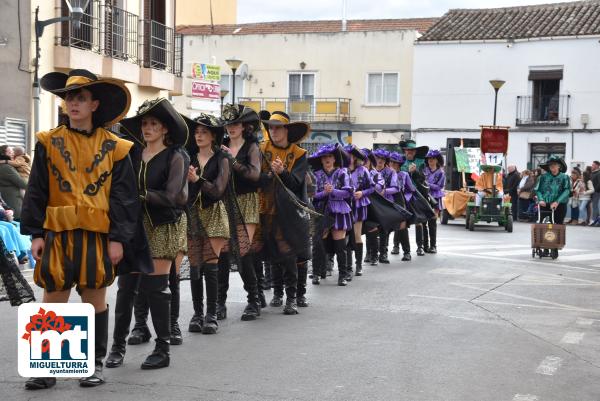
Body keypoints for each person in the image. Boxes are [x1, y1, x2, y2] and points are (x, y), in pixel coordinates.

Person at [21, 68, 137, 389]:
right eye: (70, 97)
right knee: (53, 297)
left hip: (97, 235)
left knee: (93, 300)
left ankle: (92, 364)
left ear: (94, 105)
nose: (73, 103)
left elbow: (124, 199)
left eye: (81, 98)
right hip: (57, 235)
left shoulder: (117, 148)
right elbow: (37, 189)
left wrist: (118, 240)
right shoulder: (48, 142)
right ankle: (46, 369)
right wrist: (36, 234)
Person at [112, 98, 189, 370]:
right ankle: (117, 347)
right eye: (144, 123)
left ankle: (162, 349)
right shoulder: (132, 153)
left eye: (153, 123)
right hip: (132, 226)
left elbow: (172, 196)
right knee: (125, 287)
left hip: (163, 226)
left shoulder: (177, 155)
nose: (147, 128)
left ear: (165, 129)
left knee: (157, 288)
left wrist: (138, 195)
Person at [185, 113, 240, 334]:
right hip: (191, 214)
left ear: (213, 136)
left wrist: (197, 180)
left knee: (211, 264)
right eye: (197, 132)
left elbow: (218, 190)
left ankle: (211, 314)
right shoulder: (188, 156)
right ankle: (197, 314)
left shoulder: (222, 158)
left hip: (215, 214)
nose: (199, 136)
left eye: (204, 132)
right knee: (195, 266)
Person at [258, 111, 310, 315]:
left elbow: (298, 184)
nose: (273, 131)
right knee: (270, 251)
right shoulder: (261, 148)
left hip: (289, 210)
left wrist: (283, 173)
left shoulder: (299, 154)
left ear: (286, 130)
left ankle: (292, 297)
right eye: (270, 127)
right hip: (263, 206)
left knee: (288, 252)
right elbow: (255, 174)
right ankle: (276, 292)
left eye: (277, 127)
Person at [217, 104, 262, 319]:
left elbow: (254, 175)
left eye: (235, 123)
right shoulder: (221, 144)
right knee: (223, 253)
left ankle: (253, 301)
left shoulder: (252, 146)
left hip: (246, 201)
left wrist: (232, 160)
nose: (231, 127)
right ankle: (219, 303)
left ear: (244, 126)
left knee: (243, 251)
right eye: (228, 124)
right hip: (224, 202)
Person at [310, 144, 353, 286]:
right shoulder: (316, 175)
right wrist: (325, 193)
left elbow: (348, 192)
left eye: (330, 156)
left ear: (334, 159)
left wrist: (333, 191)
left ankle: (343, 275)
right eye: (324, 157)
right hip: (321, 211)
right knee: (318, 243)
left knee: (340, 244)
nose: (327, 159)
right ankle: (316, 273)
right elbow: (312, 196)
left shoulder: (342, 173)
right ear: (321, 160)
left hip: (339, 210)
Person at [345, 145, 375, 278]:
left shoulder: (363, 170)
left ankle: (358, 265)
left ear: (355, 157)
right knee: (345, 236)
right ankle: (347, 266)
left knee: (356, 235)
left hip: (359, 205)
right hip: (344, 205)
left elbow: (372, 188)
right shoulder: (341, 170)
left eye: (350, 155)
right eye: (346, 155)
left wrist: (362, 193)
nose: (348, 157)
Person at [400, 139, 430, 256]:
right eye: (408, 150)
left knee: (419, 221)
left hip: (417, 195)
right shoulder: (400, 162)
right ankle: (398, 247)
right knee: (401, 221)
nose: (410, 152)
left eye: (412, 150)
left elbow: (423, 178)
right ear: (405, 151)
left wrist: (416, 171)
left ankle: (420, 247)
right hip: (402, 195)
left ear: (415, 151)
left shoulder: (421, 162)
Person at [372, 149, 397, 264]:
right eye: (378, 158)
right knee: (371, 228)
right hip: (371, 202)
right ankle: (371, 254)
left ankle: (383, 254)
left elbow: (396, 188)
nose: (380, 160)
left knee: (384, 229)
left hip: (385, 202)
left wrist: (385, 191)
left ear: (386, 160)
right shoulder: (369, 171)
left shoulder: (391, 172)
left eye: (382, 159)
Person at [534, 156, 570, 224]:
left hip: (560, 205)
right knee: (543, 226)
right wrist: (541, 199)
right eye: (550, 165)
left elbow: (567, 190)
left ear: (559, 166)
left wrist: (557, 202)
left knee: (558, 226)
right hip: (545, 204)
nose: (552, 166)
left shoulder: (564, 177)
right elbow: (538, 190)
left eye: (554, 164)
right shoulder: (543, 177)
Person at [422, 150, 445, 253]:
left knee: (432, 222)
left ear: (437, 160)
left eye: (433, 159)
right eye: (429, 159)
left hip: (435, 198)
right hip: (424, 196)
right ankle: (424, 245)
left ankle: (433, 246)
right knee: (423, 222)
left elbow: (439, 186)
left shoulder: (441, 172)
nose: (431, 161)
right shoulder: (424, 170)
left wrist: (428, 184)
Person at [0, 145, 28, 219]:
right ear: (3, 154)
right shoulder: (6, 168)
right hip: (14, 203)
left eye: (12, 151)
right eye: (10, 152)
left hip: (8, 203)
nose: (13, 153)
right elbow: (23, 183)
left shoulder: (5, 165)